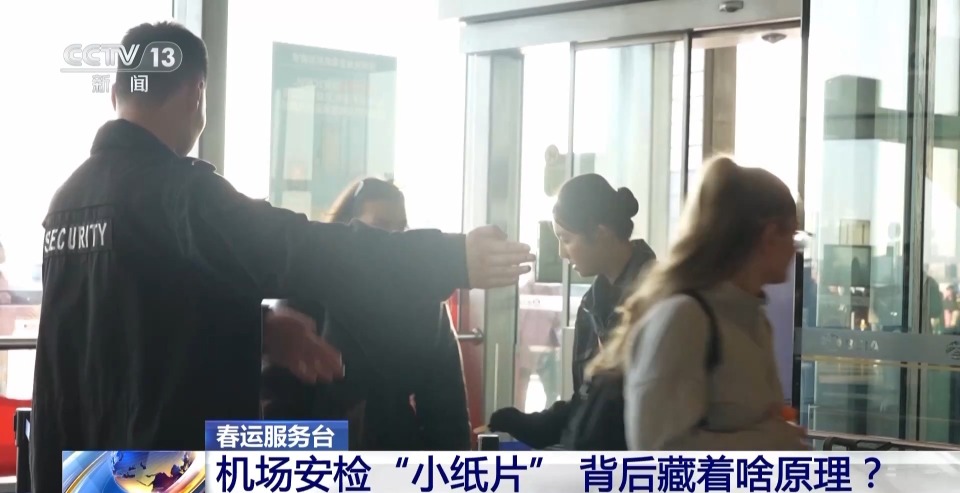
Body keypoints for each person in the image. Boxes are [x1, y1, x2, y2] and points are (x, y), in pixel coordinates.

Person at [31, 22, 532, 490]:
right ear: (195, 93)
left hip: (84, 470)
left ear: (117, 93)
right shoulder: (177, 194)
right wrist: (449, 256)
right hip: (162, 469)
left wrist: (262, 328)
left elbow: (133, 323)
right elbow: (296, 246)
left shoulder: (69, 199)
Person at [590, 156, 808, 450]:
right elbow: (659, 450)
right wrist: (773, 440)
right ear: (769, 236)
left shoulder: (754, 320)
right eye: (793, 235)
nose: (795, 249)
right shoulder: (683, 319)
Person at [264, 177, 471, 450]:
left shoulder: (427, 304)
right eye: (380, 228)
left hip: (397, 455)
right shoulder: (306, 290)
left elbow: (448, 415)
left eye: (401, 229)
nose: (394, 242)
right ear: (347, 233)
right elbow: (278, 402)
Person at [485, 173, 656, 448]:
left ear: (600, 233)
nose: (562, 254)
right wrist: (538, 425)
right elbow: (587, 400)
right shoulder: (592, 304)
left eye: (566, 239)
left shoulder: (657, 300)